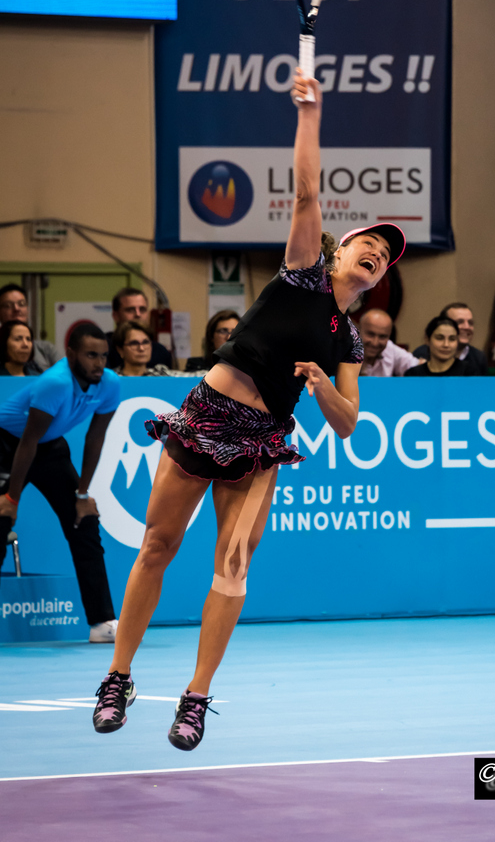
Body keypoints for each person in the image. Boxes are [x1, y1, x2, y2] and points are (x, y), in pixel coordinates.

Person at [92, 71, 406, 751]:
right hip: (206, 416)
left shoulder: (349, 340)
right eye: (369, 244)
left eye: (385, 259)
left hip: (261, 443)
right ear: (341, 249)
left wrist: (322, 385)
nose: (377, 255)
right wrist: (309, 115)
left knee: (232, 565)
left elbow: (347, 421)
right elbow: (306, 190)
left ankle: (196, 696)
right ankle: (118, 676)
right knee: (157, 545)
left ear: (380, 278)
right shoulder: (301, 273)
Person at [0, 324, 120, 642]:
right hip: (8, 445)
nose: (99, 363)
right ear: (70, 355)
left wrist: (82, 494)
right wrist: (11, 499)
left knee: (84, 521)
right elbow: (27, 441)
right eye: (90, 355)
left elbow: (95, 438)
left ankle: (102, 623)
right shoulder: (55, 383)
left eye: (103, 356)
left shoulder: (110, 384)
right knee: (0, 520)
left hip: (50, 448)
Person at [106, 288, 172, 370]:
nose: (138, 314)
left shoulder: (160, 351)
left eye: (142, 309)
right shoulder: (104, 347)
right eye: (130, 310)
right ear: (116, 315)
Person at [413, 303, 488, 374]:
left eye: (470, 323)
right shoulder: (421, 353)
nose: (467, 327)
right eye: (459, 322)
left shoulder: (479, 358)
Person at [0, 283, 58, 372]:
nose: (16, 309)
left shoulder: (46, 349)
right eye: (8, 305)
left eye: (21, 304)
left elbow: (66, 376)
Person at [358, 308, 419, 376]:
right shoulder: (348, 349)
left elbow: (419, 367)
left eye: (382, 337)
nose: (375, 343)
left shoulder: (390, 349)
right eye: (370, 334)